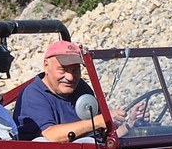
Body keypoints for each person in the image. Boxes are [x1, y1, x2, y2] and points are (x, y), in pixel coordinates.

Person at [13, 40, 144, 142]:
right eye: (63, 70)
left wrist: (129, 123)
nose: (70, 77)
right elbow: (50, 135)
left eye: (75, 70)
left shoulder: (81, 87)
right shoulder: (33, 95)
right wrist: (99, 120)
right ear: (46, 66)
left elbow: (102, 138)